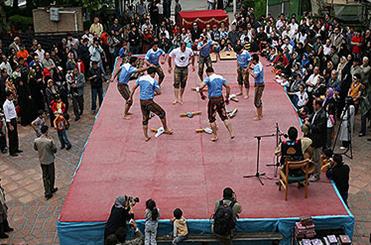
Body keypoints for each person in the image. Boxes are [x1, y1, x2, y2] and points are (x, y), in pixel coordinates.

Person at [130, 67, 173, 141]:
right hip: (148, 101)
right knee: (162, 113)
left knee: (145, 118)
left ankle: (146, 136)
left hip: (141, 101)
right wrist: (153, 94)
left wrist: (130, 97)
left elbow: (133, 88)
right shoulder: (153, 81)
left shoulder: (141, 78)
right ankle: (165, 129)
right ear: (153, 73)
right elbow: (159, 92)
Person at [198, 67, 234, 142]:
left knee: (211, 119)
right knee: (224, 117)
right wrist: (227, 97)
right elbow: (228, 87)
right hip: (220, 98)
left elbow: (201, 86)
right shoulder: (220, 77)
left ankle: (215, 135)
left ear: (207, 73)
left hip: (213, 100)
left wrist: (201, 94)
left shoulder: (208, 78)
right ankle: (231, 133)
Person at [305, 99, 327, 182]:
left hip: (318, 140)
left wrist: (309, 125)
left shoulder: (323, 115)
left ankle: (316, 175)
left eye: (314, 104)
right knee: (313, 156)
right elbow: (311, 117)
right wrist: (307, 118)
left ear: (318, 105)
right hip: (313, 138)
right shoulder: (316, 112)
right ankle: (312, 171)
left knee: (317, 158)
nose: (313, 106)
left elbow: (318, 128)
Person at [33, 125, 58, 200]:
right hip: (50, 160)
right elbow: (55, 150)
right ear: (46, 131)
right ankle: (51, 188)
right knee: (51, 175)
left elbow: (35, 148)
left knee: (45, 176)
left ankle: (47, 191)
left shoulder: (36, 140)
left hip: (42, 160)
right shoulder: (49, 141)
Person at [2, 91, 22, 157]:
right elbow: (7, 115)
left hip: (14, 119)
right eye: (10, 96)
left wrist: (16, 117)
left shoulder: (11, 102)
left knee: (15, 135)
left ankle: (16, 148)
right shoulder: (5, 105)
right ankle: (12, 151)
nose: (11, 97)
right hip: (10, 121)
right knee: (11, 136)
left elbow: (13, 111)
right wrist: (9, 124)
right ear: (7, 97)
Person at [249, 54, 265, 120]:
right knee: (259, 99)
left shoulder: (257, 67)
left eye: (252, 60)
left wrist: (250, 72)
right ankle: (260, 114)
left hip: (259, 85)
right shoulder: (259, 64)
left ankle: (259, 116)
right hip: (259, 83)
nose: (251, 61)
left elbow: (255, 75)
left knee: (257, 100)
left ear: (255, 60)